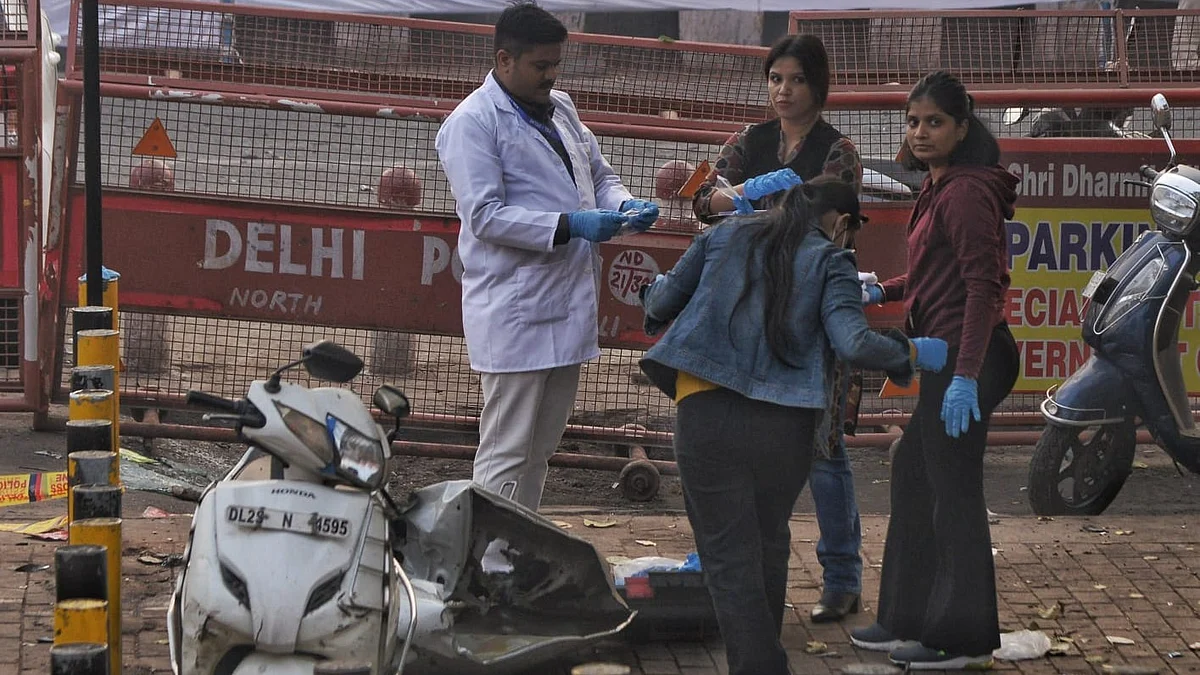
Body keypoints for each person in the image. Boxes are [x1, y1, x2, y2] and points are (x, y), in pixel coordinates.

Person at [638, 177, 949, 675]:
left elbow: (658, 305)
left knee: (726, 554)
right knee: (768, 539)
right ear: (841, 223)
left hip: (706, 412)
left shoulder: (724, 233)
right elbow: (853, 342)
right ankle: (765, 661)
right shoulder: (833, 261)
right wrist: (912, 352)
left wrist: (648, 290)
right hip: (786, 425)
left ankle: (759, 664)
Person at [434, 2, 659, 516]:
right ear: (505, 59)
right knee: (506, 447)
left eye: (556, 64)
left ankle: (521, 544)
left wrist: (623, 204)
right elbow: (485, 215)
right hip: (514, 309)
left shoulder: (562, 108)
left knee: (542, 448)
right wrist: (569, 224)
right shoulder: (470, 123)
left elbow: (598, 175)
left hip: (565, 301)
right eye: (541, 65)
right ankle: (485, 558)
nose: (551, 75)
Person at [691, 33, 868, 624]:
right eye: (774, 80)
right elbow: (702, 202)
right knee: (744, 437)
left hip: (813, 309)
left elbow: (818, 220)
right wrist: (733, 196)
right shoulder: (750, 140)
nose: (783, 91)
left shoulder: (838, 151)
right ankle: (735, 575)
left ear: (818, 86)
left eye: (794, 80)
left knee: (823, 446)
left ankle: (841, 576)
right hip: (746, 309)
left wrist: (744, 205)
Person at [851, 70, 1020, 671]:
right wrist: (880, 289)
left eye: (935, 122)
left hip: (970, 357)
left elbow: (983, 288)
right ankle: (907, 616)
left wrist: (968, 376)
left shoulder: (968, 191)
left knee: (953, 494)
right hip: (948, 355)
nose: (920, 133)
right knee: (914, 479)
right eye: (914, 121)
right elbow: (934, 278)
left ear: (962, 128)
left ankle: (960, 636)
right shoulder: (939, 184)